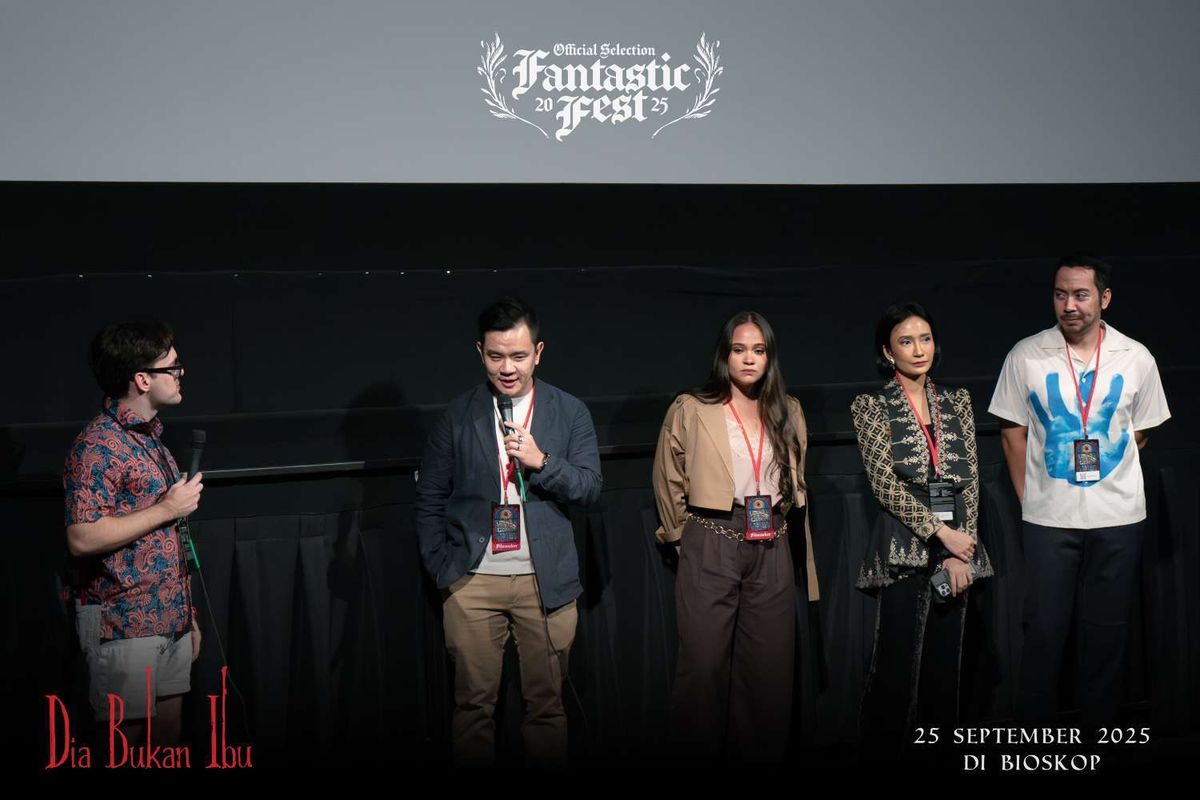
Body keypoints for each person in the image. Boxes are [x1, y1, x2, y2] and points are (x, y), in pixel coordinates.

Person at [415, 297, 602, 768]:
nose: (507, 368)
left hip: (547, 582)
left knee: (547, 708)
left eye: (518, 356)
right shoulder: (458, 415)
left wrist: (543, 462)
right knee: (472, 709)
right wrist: (443, 568)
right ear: (480, 352)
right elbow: (430, 496)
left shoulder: (569, 411)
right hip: (473, 583)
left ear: (538, 352)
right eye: (496, 356)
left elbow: (590, 487)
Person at [989, 256, 1170, 729]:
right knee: (1044, 631)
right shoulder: (1026, 355)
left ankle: (1097, 737)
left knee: (1107, 633)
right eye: (1060, 294)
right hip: (1049, 519)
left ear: (1104, 299)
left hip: (1119, 517)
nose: (1069, 305)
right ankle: (1036, 737)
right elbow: (1012, 434)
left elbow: (1141, 431)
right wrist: (1031, 499)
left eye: (1081, 294)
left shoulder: (1136, 357)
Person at [652, 311, 819, 761]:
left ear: (769, 357)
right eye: (739, 349)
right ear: (724, 355)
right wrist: (681, 537)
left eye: (758, 350)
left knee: (768, 672)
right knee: (703, 667)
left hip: (772, 540)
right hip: (712, 535)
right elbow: (668, 476)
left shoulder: (788, 409)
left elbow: (798, 479)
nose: (749, 359)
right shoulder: (692, 407)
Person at [850, 303, 992, 751]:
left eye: (925, 339)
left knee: (944, 665)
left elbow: (969, 478)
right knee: (896, 663)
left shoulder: (957, 400)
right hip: (903, 548)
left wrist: (959, 549)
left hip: (957, 548)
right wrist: (941, 534)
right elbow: (883, 485)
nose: (918, 350)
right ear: (887, 352)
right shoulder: (870, 406)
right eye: (906, 341)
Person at [63, 320, 203, 746]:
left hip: (170, 619)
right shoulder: (96, 445)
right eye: (172, 367)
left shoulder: (153, 442)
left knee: (167, 737)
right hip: (122, 623)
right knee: (126, 744)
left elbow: (171, 537)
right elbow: (81, 537)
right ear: (143, 379)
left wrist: (189, 616)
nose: (181, 374)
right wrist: (167, 508)